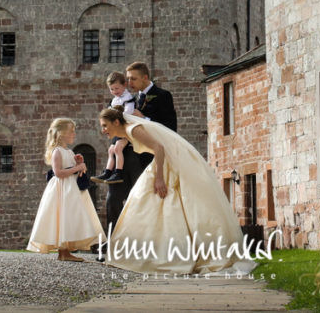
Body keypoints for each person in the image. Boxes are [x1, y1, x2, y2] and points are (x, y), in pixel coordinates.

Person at [97, 107, 255, 275]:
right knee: (143, 199)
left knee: (168, 199)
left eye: (105, 125)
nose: (103, 130)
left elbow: (159, 148)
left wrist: (159, 178)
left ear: (116, 122)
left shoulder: (132, 129)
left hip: (172, 159)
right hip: (166, 160)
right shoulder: (126, 132)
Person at [27, 118, 104, 261]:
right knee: (63, 216)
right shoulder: (57, 151)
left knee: (69, 217)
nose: (74, 134)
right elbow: (58, 173)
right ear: (61, 133)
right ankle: (63, 252)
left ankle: (65, 251)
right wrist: (77, 168)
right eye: (71, 131)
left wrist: (79, 163)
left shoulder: (68, 151)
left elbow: (70, 169)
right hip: (62, 189)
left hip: (70, 188)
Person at [92, 71, 135, 185]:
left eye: (117, 88)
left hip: (124, 128)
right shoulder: (114, 100)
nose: (114, 92)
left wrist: (117, 118)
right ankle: (107, 172)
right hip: (116, 128)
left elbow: (128, 112)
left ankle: (118, 172)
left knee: (117, 148)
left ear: (124, 85)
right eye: (112, 89)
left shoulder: (127, 98)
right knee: (111, 150)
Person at [126, 61, 177, 132]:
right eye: (128, 78)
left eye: (133, 79)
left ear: (145, 77)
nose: (129, 82)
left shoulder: (163, 95)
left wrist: (143, 118)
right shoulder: (133, 98)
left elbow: (170, 126)